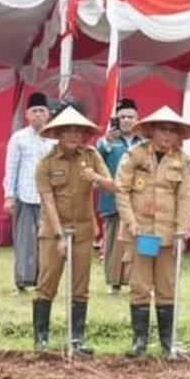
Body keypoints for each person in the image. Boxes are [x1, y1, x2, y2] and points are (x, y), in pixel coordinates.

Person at [114, 107, 190, 358]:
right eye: (162, 129)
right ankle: (139, 340)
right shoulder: (134, 155)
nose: (167, 135)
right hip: (138, 232)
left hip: (167, 234)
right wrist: (130, 221)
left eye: (172, 131)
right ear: (151, 131)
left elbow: (187, 197)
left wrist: (184, 231)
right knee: (139, 285)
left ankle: (167, 341)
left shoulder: (183, 161)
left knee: (167, 286)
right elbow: (121, 190)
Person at [33, 106, 116, 353]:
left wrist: (96, 179)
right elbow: (47, 201)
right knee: (47, 281)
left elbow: (113, 186)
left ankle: (76, 338)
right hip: (53, 229)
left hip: (83, 229)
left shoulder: (91, 156)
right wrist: (59, 235)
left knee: (81, 284)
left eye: (77, 131)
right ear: (58, 133)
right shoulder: (46, 163)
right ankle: (41, 337)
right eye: (67, 130)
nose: (72, 135)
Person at [3, 93, 53, 293]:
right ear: (27, 114)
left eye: (42, 110)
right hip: (24, 195)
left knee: (47, 240)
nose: (38, 115)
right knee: (25, 240)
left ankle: (44, 279)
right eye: (34, 111)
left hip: (49, 197)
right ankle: (23, 280)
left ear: (48, 114)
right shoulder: (19, 138)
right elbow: (11, 168)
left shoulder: (55, 139)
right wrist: (8, 196)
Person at [96, 98, 142, 293]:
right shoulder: (106, 141)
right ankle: (114, 283)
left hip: (138, 201)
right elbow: (95, 162)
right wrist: (105, 142)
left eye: (130, 116)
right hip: (112, 199)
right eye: (122, 117)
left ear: (137, 118)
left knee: (135, 241)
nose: (126, 120)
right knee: (114, 242)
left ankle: (135, 280)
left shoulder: (144, 141)